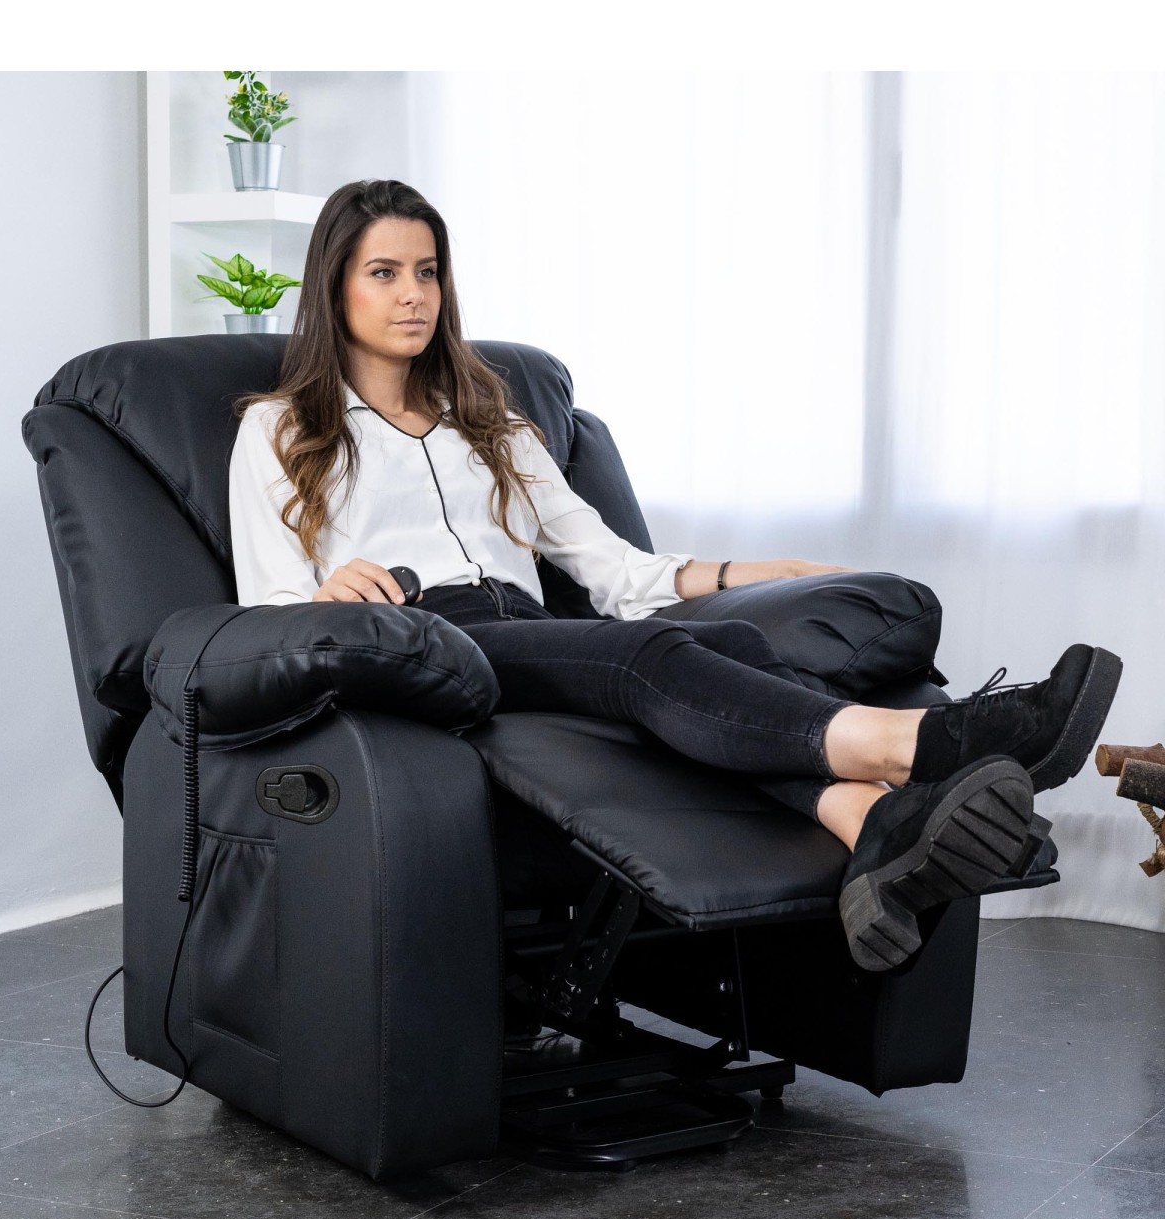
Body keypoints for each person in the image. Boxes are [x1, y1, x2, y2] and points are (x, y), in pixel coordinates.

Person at [228, 178, 1122, 973]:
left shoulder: (490, 422)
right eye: (384, 273)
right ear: (335, 287)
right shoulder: (282, 430)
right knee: (642, 658)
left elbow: (615, 570)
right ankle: (926, 744)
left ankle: (872, 828)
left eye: (427, 272)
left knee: (725, 644)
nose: (414, 295)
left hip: (523, 630)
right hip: (421, 641)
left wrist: (760, 569)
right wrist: (328, 600)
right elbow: (266, 610)